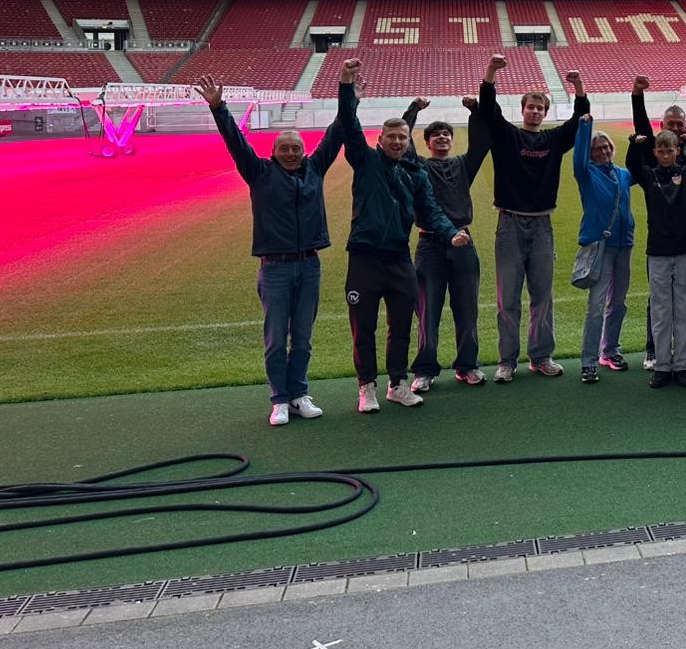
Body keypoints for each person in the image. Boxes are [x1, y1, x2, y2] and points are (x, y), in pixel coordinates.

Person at [196, 63, 352, 427]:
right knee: (276, 339)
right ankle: (279, 398)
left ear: (304, 151)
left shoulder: (315, 169)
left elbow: (337, 132)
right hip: (276, 269)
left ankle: (299, 394)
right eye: (284, 148)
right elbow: (236, 143)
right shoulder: (260, 173)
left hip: (309, 265)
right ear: (273, 151)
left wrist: (349, 95)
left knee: (303, 338)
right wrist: (219, 108)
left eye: (296, 148)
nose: (291, 153)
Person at [339, 63, 467, 412]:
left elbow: (431, 210)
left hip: (399, 258)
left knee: (401, 326)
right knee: (364, 328)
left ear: (409, 142)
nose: (397, 141)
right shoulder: (365, 161)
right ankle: (366, 387)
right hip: (364, 258)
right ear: (380, 140)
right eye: (391, 137)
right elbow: (349, 125)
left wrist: (450, 232)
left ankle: (397, 384)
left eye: (402, 138)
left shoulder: (416, 174)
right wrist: (347, 88)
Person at [477, 54, 591, 382]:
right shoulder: (507, 136)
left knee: (542, 297)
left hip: (542, 225)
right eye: (531, 107)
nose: (535, 112)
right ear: (523, 109)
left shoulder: (552, 140)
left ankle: (541, 357)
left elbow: (578, 120)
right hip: (509, 224)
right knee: (508, 299)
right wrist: (492, 71)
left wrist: (578, 86)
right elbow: (488, 109)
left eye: (540, 108)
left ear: (545, 112)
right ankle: (507, 361)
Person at [632, 74, 686, 372]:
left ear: (685, 126)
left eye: (679, 124)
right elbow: (641, 129)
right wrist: (637, 96)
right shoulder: (654, 155)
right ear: (662, 126)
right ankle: (653, 349)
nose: (675, 128)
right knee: (658, 299)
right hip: (660, 239)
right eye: (670, 124)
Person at [402, 96, 490, 391]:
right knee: (428, 311)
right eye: (436, 134)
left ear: (452, 140)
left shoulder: (463, 165)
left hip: (463, 243)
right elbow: (404, 143)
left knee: (467, 309)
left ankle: (468, 365)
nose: (442, 137)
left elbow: (481, 143)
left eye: (446, 134)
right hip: (430, 245)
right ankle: (424, 370)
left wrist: (475, 111)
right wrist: (413, 110)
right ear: (427, 142)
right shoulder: (419, 167)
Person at [628, 128, 686, 387]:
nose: (665, 155)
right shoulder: (649, 176)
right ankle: (662, 366)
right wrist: (634, 144)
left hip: (685, 250)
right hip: (658, 251)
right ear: (654, 152)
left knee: (685, 310)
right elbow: (632, 165)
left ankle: (681, 365)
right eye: (660, 151)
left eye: (669, 150)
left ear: (677, 151)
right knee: (661, 311)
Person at [573, 116, 635, 384]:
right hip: (601, 246)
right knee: (596, 305)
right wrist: (585, 126)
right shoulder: (587, 173)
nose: (604, 151)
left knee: (619, 302)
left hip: (624, 244)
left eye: (607, 146)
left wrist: (638, 144)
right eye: (598, 148)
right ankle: (588, 361)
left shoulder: (623, 174)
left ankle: (610, 350)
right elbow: (578, 159)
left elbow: (643, 168)